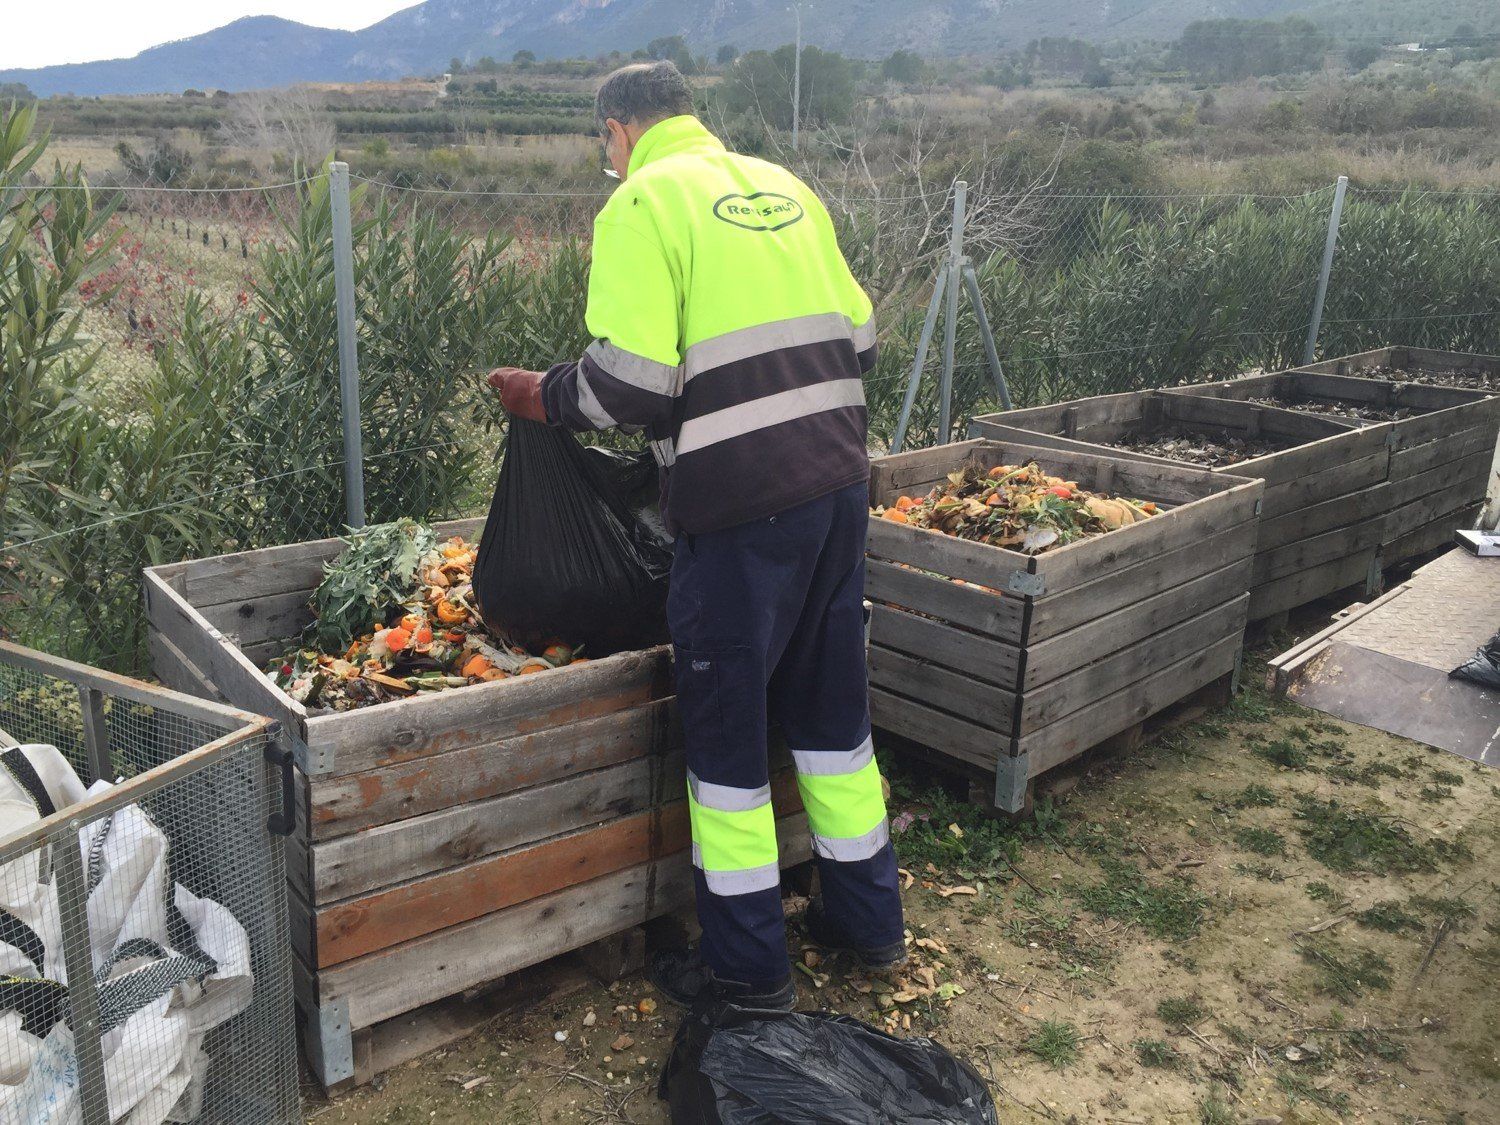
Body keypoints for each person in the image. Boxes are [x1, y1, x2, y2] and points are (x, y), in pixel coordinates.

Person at [488, 60, 904, 1011]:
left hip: (738, 516)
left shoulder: (641, 205)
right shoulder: (785, 188)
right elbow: (864, 341)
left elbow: (627, 384)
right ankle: (870, 925)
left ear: (618, 130)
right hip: (838, 494)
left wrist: (541, 396)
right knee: (835, 722)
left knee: (725, 748)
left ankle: (750, 971)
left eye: (604, 144)